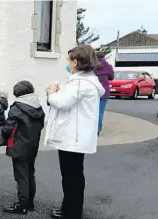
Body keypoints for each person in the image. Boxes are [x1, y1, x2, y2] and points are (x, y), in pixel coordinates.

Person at [46, 44, 105, 219]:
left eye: (69, 60)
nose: (67, 62)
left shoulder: (80, 83)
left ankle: (71, 212)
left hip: (73, 136)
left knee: (71, 177)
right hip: (78, 136)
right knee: (75, 175)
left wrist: (50, 94)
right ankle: (70, 208)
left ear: (76, 62)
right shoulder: (86, 81)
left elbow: (62, 102)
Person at [1, 81, 45, 215]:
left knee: (21, 177)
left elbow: (8, 128)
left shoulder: (17, 108)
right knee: (30, 173)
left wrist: (2, 134)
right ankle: (29, 203)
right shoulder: (38, 107)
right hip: (32, 145)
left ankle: (22, 205)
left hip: (19, 145)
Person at [94, 52, 114, 133]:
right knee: (100, 111)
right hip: (104, 92)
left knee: (92, 111)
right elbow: (111, 77)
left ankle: (91, 128)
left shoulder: (91, 66)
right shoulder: (108, 66)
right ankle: (97, 130)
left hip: (94, 91)